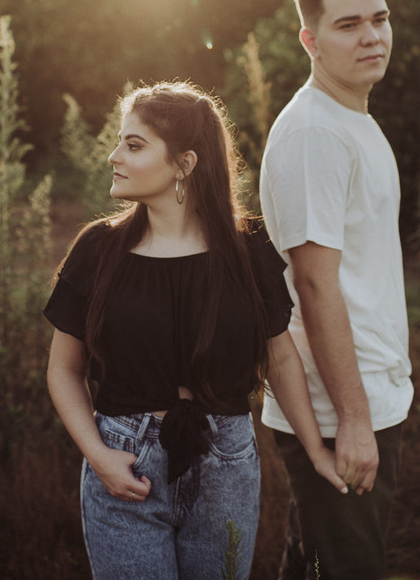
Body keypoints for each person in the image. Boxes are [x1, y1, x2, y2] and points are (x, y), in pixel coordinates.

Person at [44, 80, 346, 580]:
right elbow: (63, 370)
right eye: (119, 142)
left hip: (225, 460)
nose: (114, 156)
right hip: (125, 459)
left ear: (185, 164)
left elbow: (282, 358)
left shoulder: (248, 250)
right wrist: (98, 457)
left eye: (134, 145)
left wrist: (316, 449)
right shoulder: (97, 250)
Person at [259, 0, 414, 580]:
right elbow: (314, 284)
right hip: (334, 412)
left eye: (379, 19)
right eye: (348, 25)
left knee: (312, 565)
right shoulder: (314, 133)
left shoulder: (352, 119)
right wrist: (351, 420)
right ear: (311, 40)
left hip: (365, 394)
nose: (372, 36)